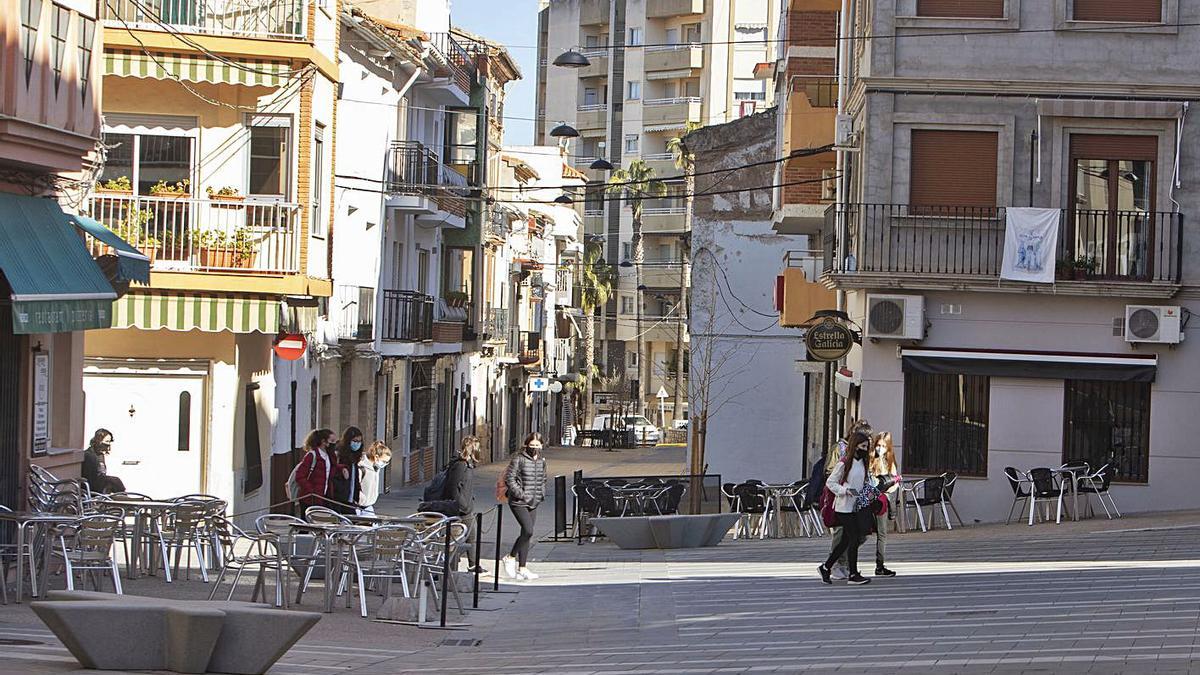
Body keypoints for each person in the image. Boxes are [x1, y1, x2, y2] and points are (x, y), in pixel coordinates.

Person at [421, 436, 485, 573]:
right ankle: (448, 568)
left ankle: (472, 565)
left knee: (471, 536)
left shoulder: (466, 464)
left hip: (465, 507)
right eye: (478, 448)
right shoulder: (460, 465)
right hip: (460, 508)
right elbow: (452, 487)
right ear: (473, 449)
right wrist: (460, 504)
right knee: (457, 539)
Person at [818, 431, 874, 586]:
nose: (865, 449)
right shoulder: (844, 463)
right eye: (863, 446)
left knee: (846, 541)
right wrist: (845, 490)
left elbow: (863, 483)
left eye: (867, 446)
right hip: (843, 507)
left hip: (856, 506)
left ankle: (826, 567)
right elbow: (831, 482)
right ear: (855, 446)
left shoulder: (863, 463)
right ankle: (853, 574)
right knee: (854, 538)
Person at [501, 432, 547, 581]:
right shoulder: (519, 459)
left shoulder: (541, 461)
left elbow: (543, 478)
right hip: (518, 501)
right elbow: (509, 478)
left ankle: (522, 567)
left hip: (534, 501)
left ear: (541, 445)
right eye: (532, 445)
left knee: (527, 535)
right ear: (526, 445)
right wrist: (521, 494)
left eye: (537, 445)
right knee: (528, 530)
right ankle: (510, 557)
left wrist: (540, 494)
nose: (535, 448)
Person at [869, 431, 900, 577]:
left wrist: (886, 487)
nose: (879, 448)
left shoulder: (890, 461)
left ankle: (879, 565)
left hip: (882, 501)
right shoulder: (870, 460)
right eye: (877, 445)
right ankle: (847, 563)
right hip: (869, 500)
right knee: (861, 533)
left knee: (882, 534)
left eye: (883, 446)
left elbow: (894, 482)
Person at [295, 429, 342, 509]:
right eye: (332, 441)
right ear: (324, 442)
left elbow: (332, 467)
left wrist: (343, 468)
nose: (334, 444)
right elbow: (299, 476)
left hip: (324, 497)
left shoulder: (329, 455)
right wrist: (312, 490)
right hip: (310, 499)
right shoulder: (312, 456)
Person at [330, 426, 364, 514]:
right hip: (339, 499)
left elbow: (355, 479)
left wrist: (356, 496)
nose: (357, 444)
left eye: (359, 441)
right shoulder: (339, 455)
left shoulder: (354, 457)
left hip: (350, 499)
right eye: (355, 441)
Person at [81, 428, 126, 494]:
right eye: (107, 441)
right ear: (99, 441)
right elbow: (90, 478)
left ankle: (123, 497)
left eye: (110, 442)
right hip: (92, 487)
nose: (109, 445)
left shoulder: (101, 455)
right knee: (115, 480)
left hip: (101, 485)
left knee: (115, 481)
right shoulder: (89, 455)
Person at [357, 442, 391, 515]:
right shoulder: (362, 468)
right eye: (384, 461)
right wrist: (362, 500)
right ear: (376, 457)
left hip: (368, 506)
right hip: (359, 507)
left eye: (387, 462)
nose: (384, 464)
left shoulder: (375, 468)